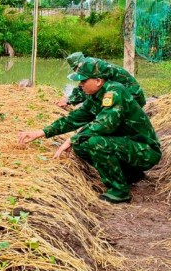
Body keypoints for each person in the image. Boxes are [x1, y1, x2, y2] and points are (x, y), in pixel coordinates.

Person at [18, 57, 161, 204]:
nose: (80, 85)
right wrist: (41, 132)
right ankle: (131, 174)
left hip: (146, 150)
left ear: (98, 81)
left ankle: (119, 191)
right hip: (129, 145)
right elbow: (73, 119)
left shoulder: (115, 91)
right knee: (81, 145)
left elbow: (105, 124)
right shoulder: (95, 96)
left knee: (96, 143)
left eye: (83, 81)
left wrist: (73, 138)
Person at [58, 52, 146, 108]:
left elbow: (89, 89)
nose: (76, 71)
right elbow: (83, 86)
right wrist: (69, 98)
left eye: (75, 69)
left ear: (79, 64)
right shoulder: (90, 63)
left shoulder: (92, 66)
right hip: (124, 95)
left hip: (132, 97)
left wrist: (69, 100)